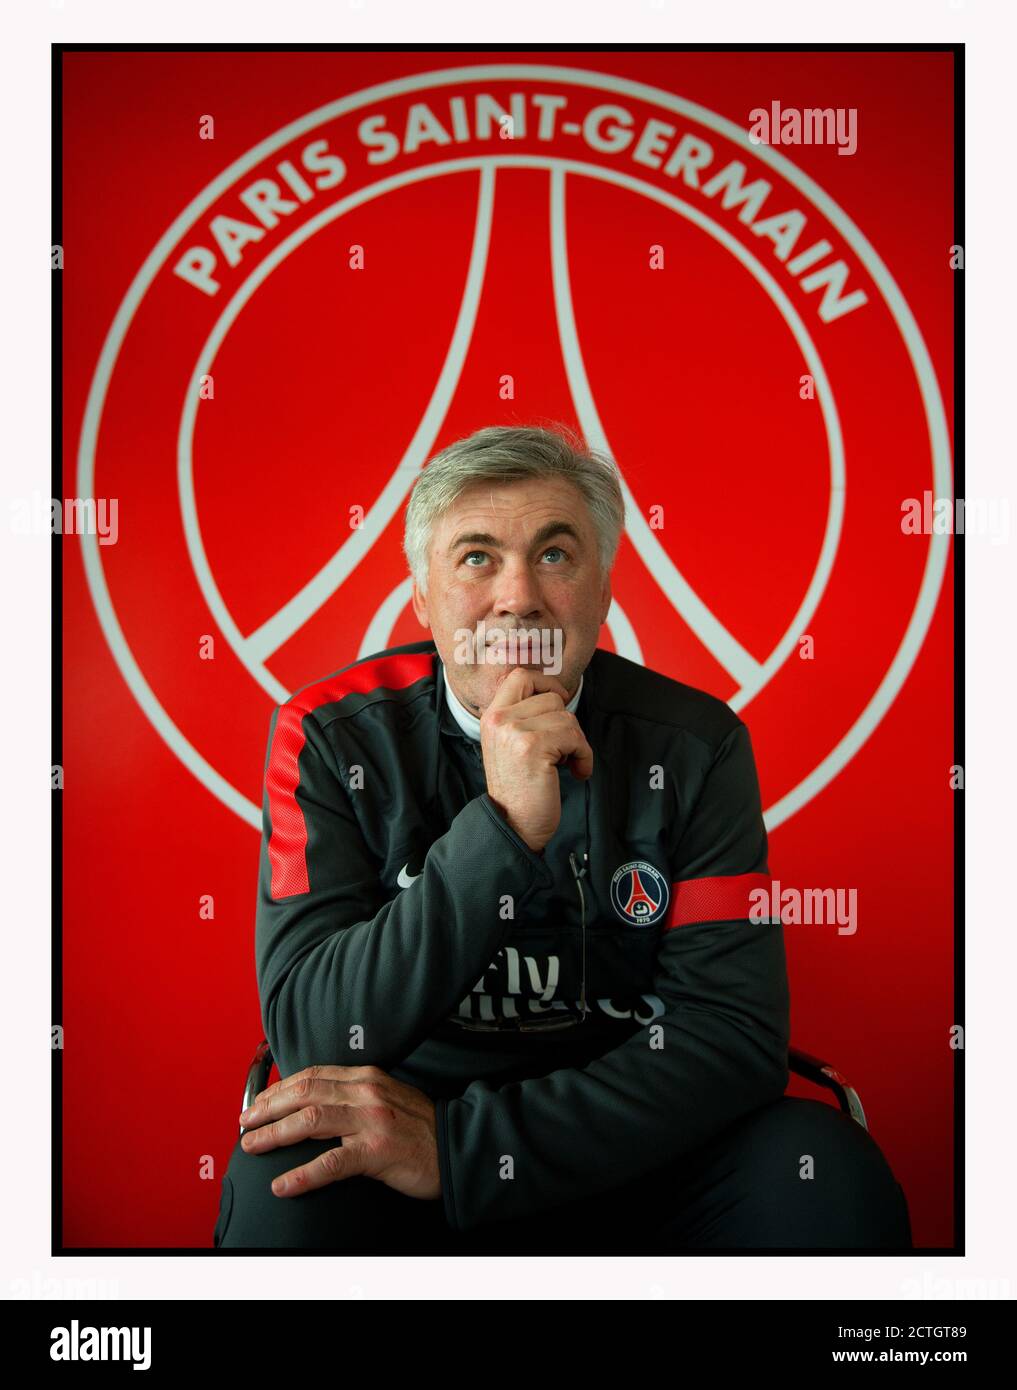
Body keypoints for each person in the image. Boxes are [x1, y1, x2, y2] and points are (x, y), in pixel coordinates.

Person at [213, 423, 912, 1252]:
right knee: (285, 1183)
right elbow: (316, 1033)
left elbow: (731, 1039)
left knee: (820, 1170)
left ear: (603, 587)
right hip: (397, 1146)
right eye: (475, 557)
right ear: (421, 596)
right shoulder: (330, 735)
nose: (518, 597)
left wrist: (466, 1148)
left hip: (632, 1143)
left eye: (554, 554)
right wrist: (502, 827)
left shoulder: (696, 742)